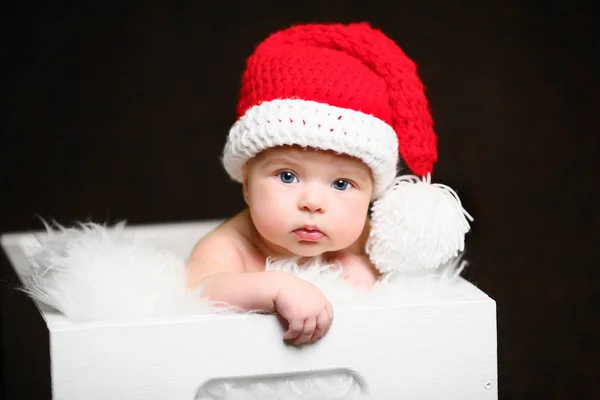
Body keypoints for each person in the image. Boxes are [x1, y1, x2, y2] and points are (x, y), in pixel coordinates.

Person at [186, 22, 444, 345]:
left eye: (340, 184)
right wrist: (274, 287)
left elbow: (405, 274)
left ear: (371, 196)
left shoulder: (363, 238)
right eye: (287, 176)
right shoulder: (230, 244)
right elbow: (199, 288)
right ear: (247, 186)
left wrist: (367, 269)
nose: (312, 202)